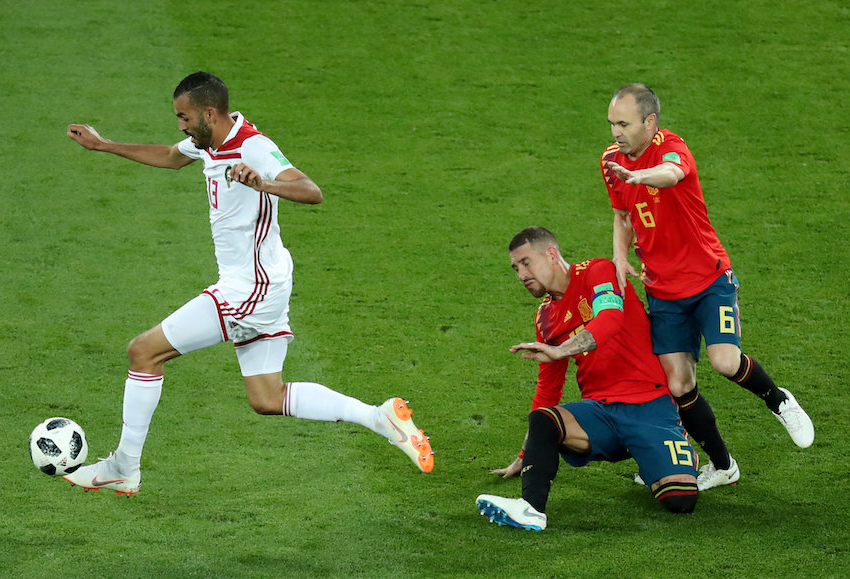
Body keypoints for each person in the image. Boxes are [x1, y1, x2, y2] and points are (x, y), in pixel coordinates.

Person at [62, 71, 433, 495]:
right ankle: (378, 417)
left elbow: (312, 191)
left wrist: (265, 183)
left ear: (208, 113)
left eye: (184, 118)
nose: (180, 126)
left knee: (143, 352)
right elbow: (170, 155)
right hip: (265, 282)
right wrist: (104, 144)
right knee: (267, 398)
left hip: (250, 288)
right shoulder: (210, 142)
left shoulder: (252, 146)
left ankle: (123, 468)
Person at [601, 83, 813, 491]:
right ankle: (722, 465)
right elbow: (622, 213)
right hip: (662, 288)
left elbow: (670, 175)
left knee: (725, 362)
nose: (616, 133)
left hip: (708, 277)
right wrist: (619, 256)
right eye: (612, 124)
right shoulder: (611, 160)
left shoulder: (671, 149)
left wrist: (638, 174)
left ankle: (779, 400)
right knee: (678, 384)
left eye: (624, 124)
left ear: (650, 122)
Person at [476, 227, 698, 531]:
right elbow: (548, 388)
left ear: (551, 255)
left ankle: (669, 452)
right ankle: (531, 509)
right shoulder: (545, 317)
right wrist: (525, 454)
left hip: (649, 405)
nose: (521, 274)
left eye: (526, 263)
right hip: (601, 415)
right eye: (516, 268)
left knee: (680, 500)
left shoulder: (598, 272)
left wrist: (561, 350)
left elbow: (610, 320)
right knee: (543, 419)